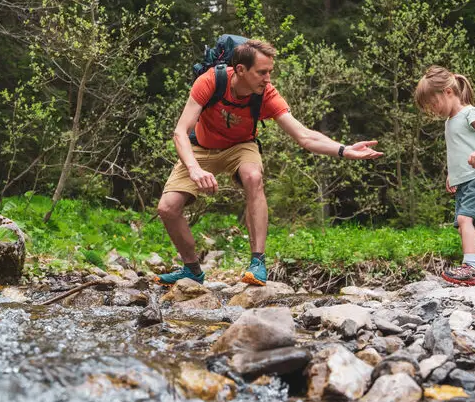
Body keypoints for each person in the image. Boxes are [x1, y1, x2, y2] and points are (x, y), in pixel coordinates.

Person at [155, 38, 382, 287]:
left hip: (241, 146)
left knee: (253, 177)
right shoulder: (211, 81)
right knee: (167, 208)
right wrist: (194, 168)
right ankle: (192, 270)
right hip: (200, 146)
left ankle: (257, 263)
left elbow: (304, 136)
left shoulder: (267, 94)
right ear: (240, 70)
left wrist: (345, 150)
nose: (268, 79)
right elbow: (180, 132)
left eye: (270, 72)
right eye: (262, 72)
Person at [414, 66, 475, 287]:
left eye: (434, 103)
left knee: (465, 219)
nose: (433, 110)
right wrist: (452, 175)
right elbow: (458, 150)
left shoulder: (472, 112)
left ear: (448, 92)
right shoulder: (449, 121)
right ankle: (470, 269)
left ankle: (471, 267)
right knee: (462, 224)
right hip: (465, 179)